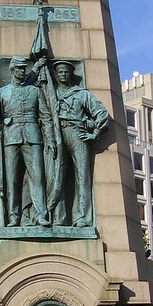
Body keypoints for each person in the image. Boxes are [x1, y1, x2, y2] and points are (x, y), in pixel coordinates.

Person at [0, 56, 55, 228]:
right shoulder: (1, 93)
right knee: (12, 180)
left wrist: (51, 138)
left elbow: (45, 117)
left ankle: (41, 215)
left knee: (37, 178)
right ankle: (13, 217)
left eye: (24, 68)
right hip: (10, 138)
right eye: (19, 68)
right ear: (12, 70)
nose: (22, 71)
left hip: (33, 137)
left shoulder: (35, 91)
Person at [50, 60, 109, 227]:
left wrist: (95, 133)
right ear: (55, 74)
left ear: (70, 74)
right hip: (55, 135)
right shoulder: (49, 93)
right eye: (60, 72)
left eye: (66, 72)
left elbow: (102, 114)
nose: (63, 75)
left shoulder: (82, 94)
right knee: (56, 177)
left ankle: (81, 217)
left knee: (82, 176)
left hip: (78, 134)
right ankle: (57, 218)